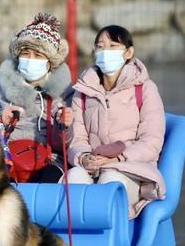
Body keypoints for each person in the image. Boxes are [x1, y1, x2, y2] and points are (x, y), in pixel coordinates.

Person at [67, 25, 166, 219]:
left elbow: (151, 142)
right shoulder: (83, 91)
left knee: (110, 181)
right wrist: (84, 158)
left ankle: (111, 241)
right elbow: (76, 139)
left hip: (131, 171)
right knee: (74, 178)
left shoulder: (145, 89)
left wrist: (117, 159)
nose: (105, 52)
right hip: (92, 170)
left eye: (113, 46)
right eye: (100, 47)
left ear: (128, 52)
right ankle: (76, 241)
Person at [0, 13, 73, 183]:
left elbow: (63, 146)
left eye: (38, 56)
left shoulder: (65, 94)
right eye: (25, 53)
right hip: (6, 156)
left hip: (48, 159)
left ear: (50, 63)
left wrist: (63, 126)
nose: (30, 60)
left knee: (51, 176)